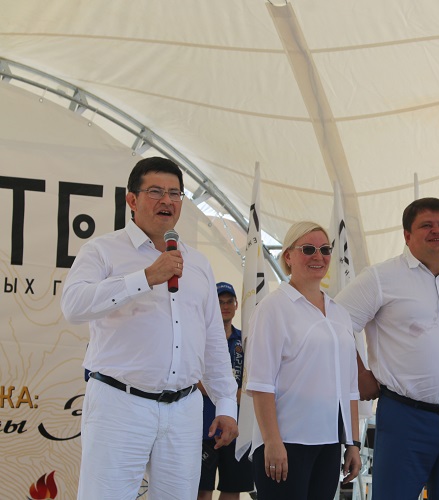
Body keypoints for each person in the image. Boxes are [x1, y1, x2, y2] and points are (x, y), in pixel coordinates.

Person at [61, 157, 239, 500]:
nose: (167, 201)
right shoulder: (102, 251)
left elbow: (213, 342)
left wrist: (226, 405)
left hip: (185, 409)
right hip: (119, 403)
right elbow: (73, 306)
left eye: (175, 193)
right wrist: (144, 278)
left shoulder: (198, 263)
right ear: (132, 199)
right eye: (156, 191)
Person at [336, 197, 439, 500]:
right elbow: (333, 326)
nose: (437, 230)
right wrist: (359, 372)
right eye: (426, 225)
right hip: (404, 417)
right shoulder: (380, 278)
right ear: (407, 235)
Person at [245, 221, 361, 500]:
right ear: (288, 256)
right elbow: (261, 383)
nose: (318, 256)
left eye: (325, 250)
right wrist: (272, 441)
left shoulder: (339, 313)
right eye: (308, 249)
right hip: (286, 441)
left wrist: (353, 443)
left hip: (329, 442)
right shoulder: (272, 308)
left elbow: (349, 388)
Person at [197, 282, 255, 500]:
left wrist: (238, 395)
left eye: (229, 301)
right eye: (220, 302)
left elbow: (253, 378)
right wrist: (226, 393)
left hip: (236, 426)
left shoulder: (244, 339)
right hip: (204, 425)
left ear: (237, 304)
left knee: (232, 489)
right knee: (202, 489)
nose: (225, 306)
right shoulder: (201, 337)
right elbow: (192, 379)